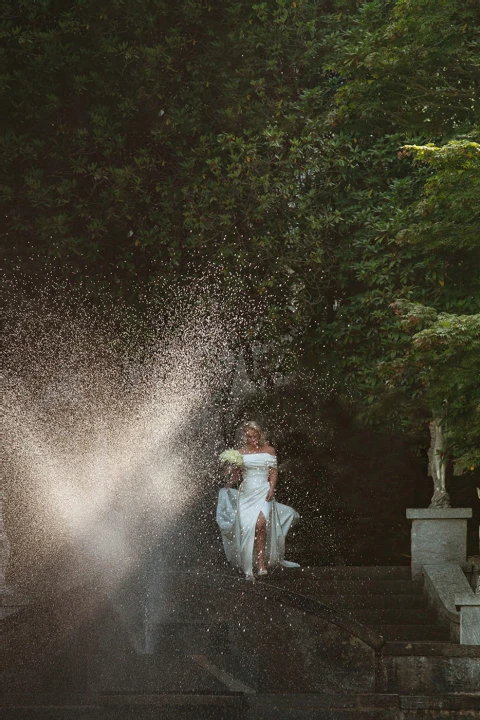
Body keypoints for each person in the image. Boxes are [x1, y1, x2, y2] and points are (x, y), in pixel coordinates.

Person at [216, 420, 299, 580]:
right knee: (248, 527)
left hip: (263, 491)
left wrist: (272, 488)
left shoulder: (269, 451)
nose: (251, 439)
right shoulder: (240, 452)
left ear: (259, 435)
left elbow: (273, 472)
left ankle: (261, 563)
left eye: (254, 436)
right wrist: (229, 481)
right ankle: (249, 564)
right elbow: (238, 474)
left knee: (261, 523)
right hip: (246, 495)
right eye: (248, 436)